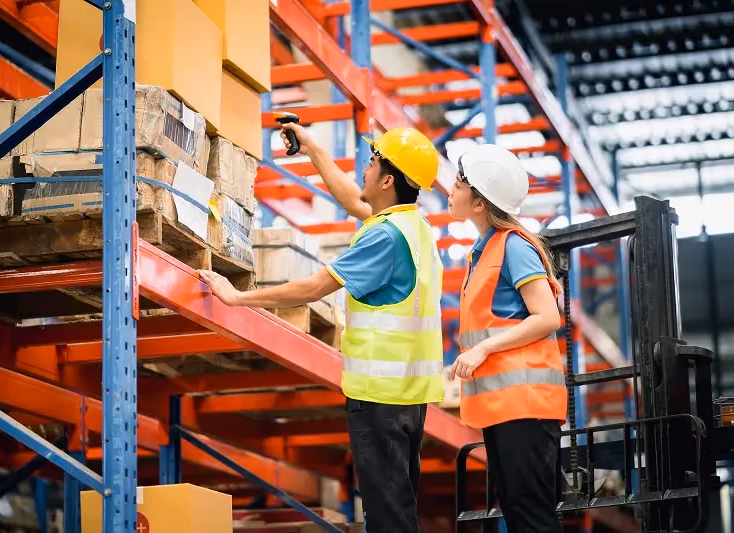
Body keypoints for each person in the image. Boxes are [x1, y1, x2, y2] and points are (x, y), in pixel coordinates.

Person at [199, 124, 444, 533]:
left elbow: (313, 287)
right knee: (396, 508)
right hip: (407, 400)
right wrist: (312, 146)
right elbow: (352, 199)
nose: (364, 169)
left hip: (379, 399)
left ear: (387, 179)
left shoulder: (384, 238)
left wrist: (236, 297)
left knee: (388, 519)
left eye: (371, 163)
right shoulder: (411, 227)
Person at [447, 144, 566, 532]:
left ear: (480, 204)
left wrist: (483, 348)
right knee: (519, 514)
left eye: (460, 183)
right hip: (505, 406)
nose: (451, 188)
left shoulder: (514, 246)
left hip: (526, 405)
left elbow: (548, 316)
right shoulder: (484, 252)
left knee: (531, 517)